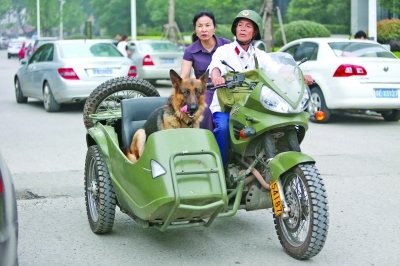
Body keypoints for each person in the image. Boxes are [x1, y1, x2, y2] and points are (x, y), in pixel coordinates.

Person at [208, 10, 313, 166]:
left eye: (248, 26)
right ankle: (221, 170)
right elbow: (215, 65)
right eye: (240, 25)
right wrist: (216, 77)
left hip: (253, 107)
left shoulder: (260, 55)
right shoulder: (224, 51)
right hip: (227, 107)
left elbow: (277, 68)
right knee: (223, 128)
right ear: (235, 29)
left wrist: (298, 74)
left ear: (255, 32)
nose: (243, 29)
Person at [180, 10, 231, 131]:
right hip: (205, 89)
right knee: (204, 110)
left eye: (207, 25)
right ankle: (206, 144)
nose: (204, 30)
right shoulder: (190, 50)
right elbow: (183, 77)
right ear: (195, 29)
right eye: (200, 26)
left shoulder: (227, 45)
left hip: (227, 86)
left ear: (214, 27)